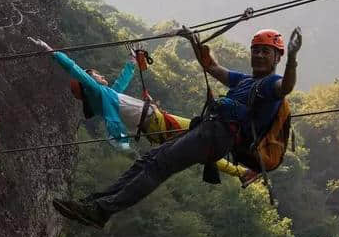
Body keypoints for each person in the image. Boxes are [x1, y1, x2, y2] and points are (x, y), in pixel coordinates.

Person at [50, 27, 302, 228]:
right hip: (207, 129)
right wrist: (193, 41)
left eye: (265, 52)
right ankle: (95, 203)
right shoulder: (245, 80)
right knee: (146, 161)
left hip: (218, 136)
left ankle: (100, 212)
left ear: (276, 57)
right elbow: (212, 67)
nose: (258, 55)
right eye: (256, 50)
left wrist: (292, 60)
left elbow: (287, 87)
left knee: (159, 166)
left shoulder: (272, 85)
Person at [27, 37, 245, 178]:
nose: (101, 76)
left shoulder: (107, 99)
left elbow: (120, 83)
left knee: (204, 146)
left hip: (155, 125)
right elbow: (75, 69)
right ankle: (242, 163)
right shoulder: (99, 94)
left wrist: (131, 61)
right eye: (96, 75)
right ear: (89, 86)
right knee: (207, 131)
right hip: (157, 123)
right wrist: (52, 52)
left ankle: (240, 171)